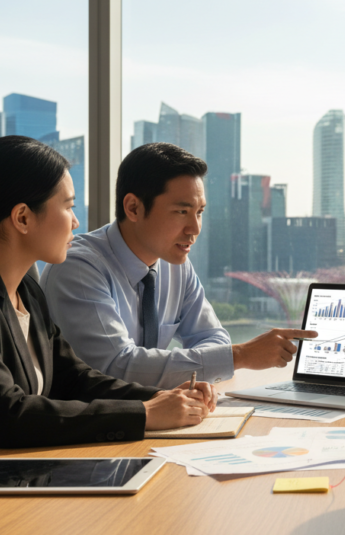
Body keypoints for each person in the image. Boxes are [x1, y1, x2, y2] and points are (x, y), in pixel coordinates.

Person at [0, 137, 216, 493]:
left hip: (5, 478)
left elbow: (74, 378)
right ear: (23, 217)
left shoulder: (27, 289)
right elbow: (9, 415)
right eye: (68, 207)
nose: (76, 222)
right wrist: (146, 415)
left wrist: (159, 397)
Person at [40, 142, 314, 389]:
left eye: (199, 212)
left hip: (157, 414)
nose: (194, 228)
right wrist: (240, 355)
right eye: (181, 212)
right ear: (133, 208)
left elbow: (212, 338)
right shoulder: (78, 267)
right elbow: (115, 367)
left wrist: (197, 375)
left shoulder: (175, 263)